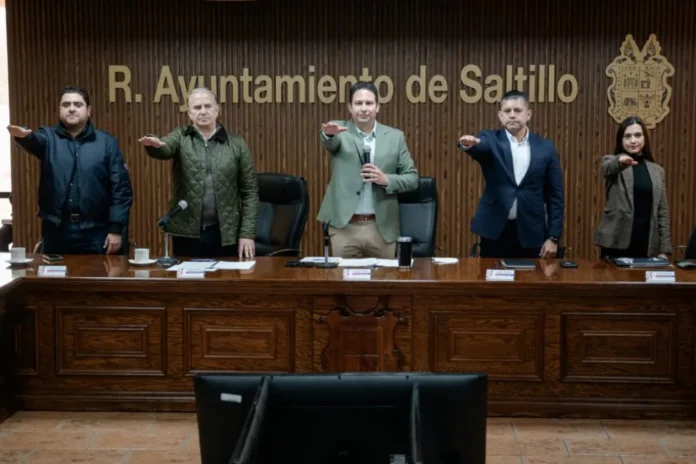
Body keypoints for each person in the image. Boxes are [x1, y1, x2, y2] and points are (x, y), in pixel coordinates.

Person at [7, 86, 133, 254]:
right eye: (66, 104)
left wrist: (116, 229)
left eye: (78, 104)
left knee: (98, 272)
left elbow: (121, 189)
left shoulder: (107, 143)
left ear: (89, 110)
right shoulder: (48, 138)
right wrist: (24, 136)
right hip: (56, 231)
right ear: (60, 109)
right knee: (55, 272)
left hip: (97, 232)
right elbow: (34, 140)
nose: (72, 108)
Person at [138, 87, 258, 258]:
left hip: (225, 233)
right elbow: (165, 148)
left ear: (217, 109)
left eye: (207, 106)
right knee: (186, 275)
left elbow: (250, 192)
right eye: (197, 107)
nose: (203, 111)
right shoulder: (181, 137)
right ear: (189, 113)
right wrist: (155, 145)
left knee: (226, 275)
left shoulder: (237, 144)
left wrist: (247, 233)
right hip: (186, 233)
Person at [457, 90, 564, 259]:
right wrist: (470, 144)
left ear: (528, 114)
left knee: (531, 276)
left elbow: (555, 195)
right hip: (495, 231)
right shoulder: (490, 139)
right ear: (500, 116)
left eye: (517, 110)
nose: (512, 115)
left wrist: (553, 237)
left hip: (531, 231)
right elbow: (480, 147)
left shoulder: (545, 147)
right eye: (507, 111)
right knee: (491, 275)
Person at [318, 81, 418, 258]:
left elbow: (412, 179)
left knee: (384, 276)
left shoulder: (395, 137)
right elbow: (330, 142)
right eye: (358, 103)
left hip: (381, 228)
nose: (364, 108)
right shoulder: (339, 130)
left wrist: (386, 180)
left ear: (377, 107)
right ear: (350, 107)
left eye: (369, 103)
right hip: (344, 228)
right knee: (343, 277)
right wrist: (328, 134)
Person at [594, 116, 671, 259]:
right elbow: (607, 168)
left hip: (647, 242)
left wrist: (664, 249)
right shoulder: (612, 162)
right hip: (616, 242)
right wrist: (620, 160)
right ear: (621, 140)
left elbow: (662, 212)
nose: (633, 140)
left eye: (638, 135)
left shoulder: (657, 171)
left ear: (644, 138)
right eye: (627, 136)